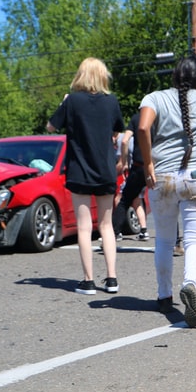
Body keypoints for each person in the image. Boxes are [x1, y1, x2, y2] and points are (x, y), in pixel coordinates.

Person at [137, 54, 196, 325]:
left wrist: (148, 165)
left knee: (165, 241)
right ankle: (190, 285)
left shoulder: (154, 98)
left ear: (174, 75)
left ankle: (164, 297)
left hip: (163, 178)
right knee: (194, 241)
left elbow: (143, 127)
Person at [47, 57, 124, 295]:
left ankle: (88, 281)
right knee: (106, 226)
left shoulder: (72, 102)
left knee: (83, 227)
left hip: (80, 170)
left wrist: (64, 104)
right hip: (105, 169)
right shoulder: (111, 102)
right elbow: (116, 129)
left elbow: (51, 127)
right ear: (102, 76)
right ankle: (111, 279)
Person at [112, 111, 149, 241]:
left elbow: (125, 141)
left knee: (125, 200)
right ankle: (175, 241)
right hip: (159, 164)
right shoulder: (161, 116)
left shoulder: (137, 118)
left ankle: (115, 233)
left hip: (139, 165)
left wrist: (123, 161)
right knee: (167, 203)